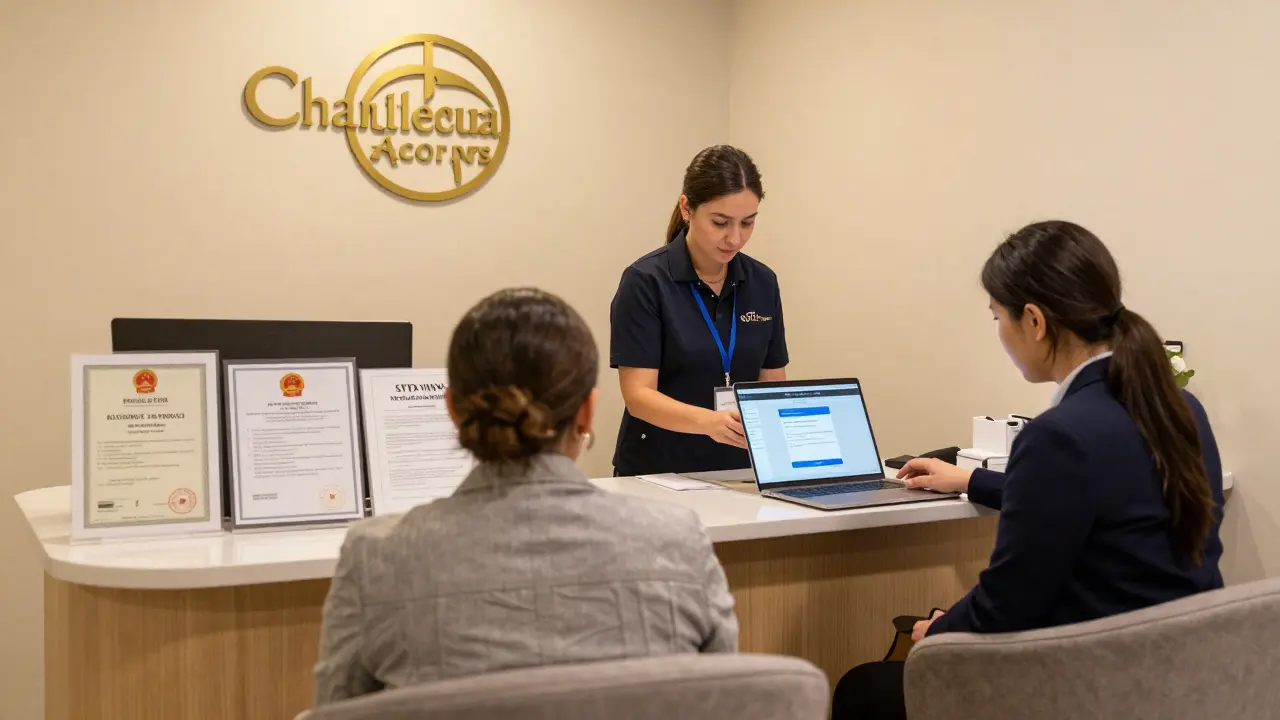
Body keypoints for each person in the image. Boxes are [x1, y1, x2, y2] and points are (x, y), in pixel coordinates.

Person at [832, 221, 1225, 719]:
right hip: (1181, 682)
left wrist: (939, 631)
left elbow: (1007, 604)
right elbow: (1097, 499)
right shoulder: (1180, 408)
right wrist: (970, 480)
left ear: (1034, 321)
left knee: (866, 688)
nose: (1000, 332)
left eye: (998, 317)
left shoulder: (1060, 435)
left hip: (1087, 689)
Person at [313, 288, 739, 705]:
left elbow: (335, 708)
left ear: (453, 410)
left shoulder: (374, 557)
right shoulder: (678, 540)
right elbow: (727, 702)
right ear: (586, 413)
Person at [610, 145, 788, 476]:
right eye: (720, 222)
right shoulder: (646, 281)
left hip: (741, 471)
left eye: (747, 223)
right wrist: (711, 423)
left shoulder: (763, 282)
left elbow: (772, 383)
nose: (734, 238)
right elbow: (638, 396)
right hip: (660, 471)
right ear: (686, 208)